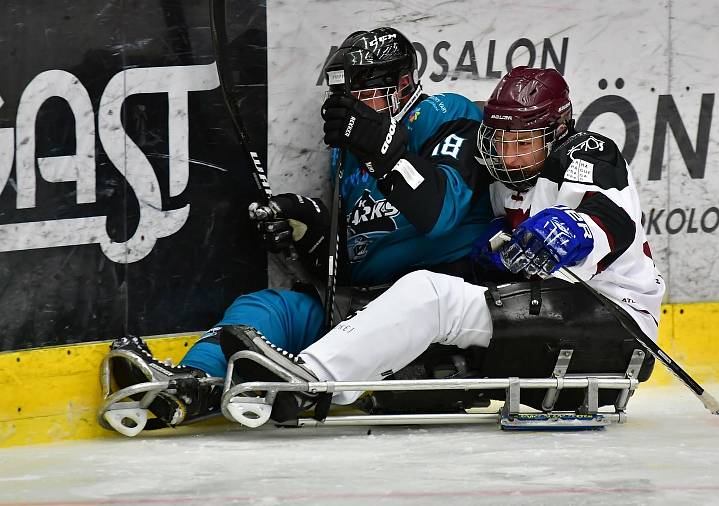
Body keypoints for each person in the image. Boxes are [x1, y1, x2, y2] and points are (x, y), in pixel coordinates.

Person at [101, 27, 494, 432]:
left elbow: (440, 211)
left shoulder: (447, 114)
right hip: (367, 302)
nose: (351, 106)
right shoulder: (349, 154)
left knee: (407, 297)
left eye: (362, 93)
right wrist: (308, 227)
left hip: (433, 308)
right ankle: (191, 384)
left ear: (402, 84)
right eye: (344, 96)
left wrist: (382, 148)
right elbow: (350, 265)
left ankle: (301, 382)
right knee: (265, 308)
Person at [219, 66, 665, 422]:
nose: (510, 156)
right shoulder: (501, 186)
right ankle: (336, 376)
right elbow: (509, 256)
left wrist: (574, 230)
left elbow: (613, 220)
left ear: (558, 131)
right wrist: (495, 254)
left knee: (429, 295)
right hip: (555, 312)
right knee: (430, 289)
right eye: (502, 141)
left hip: (614, 318)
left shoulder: (586, 150)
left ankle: (311, 380)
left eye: (524, 142)